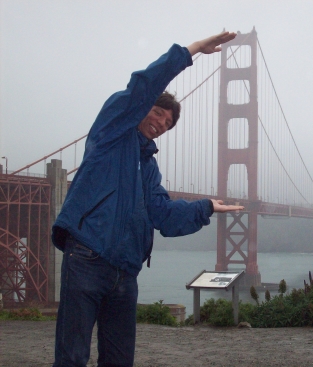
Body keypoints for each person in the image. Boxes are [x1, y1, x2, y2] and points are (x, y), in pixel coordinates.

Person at [51, 31, 242, 367]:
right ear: (143, 107)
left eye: (167, 124)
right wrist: (191, 51)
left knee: (120, 361)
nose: (160, 124)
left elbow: (163, 214)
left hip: (125, 272)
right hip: (86, 257)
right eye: (157, 113)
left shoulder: (149, 168)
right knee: (72, 357)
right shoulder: (111, 131)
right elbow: (141, 87)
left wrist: (206, 207)